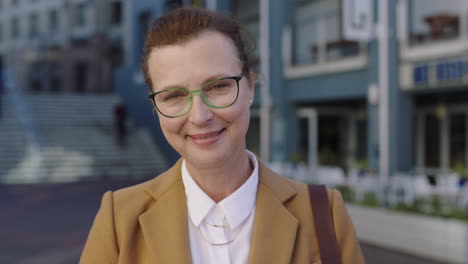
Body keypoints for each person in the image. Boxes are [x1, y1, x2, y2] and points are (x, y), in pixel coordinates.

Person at [80, 7, 364, 264]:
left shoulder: (323, 214)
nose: (200, 116)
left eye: (217, 87)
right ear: (155, 106)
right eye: (174, 95)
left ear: (250, 86)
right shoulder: (120, 219)